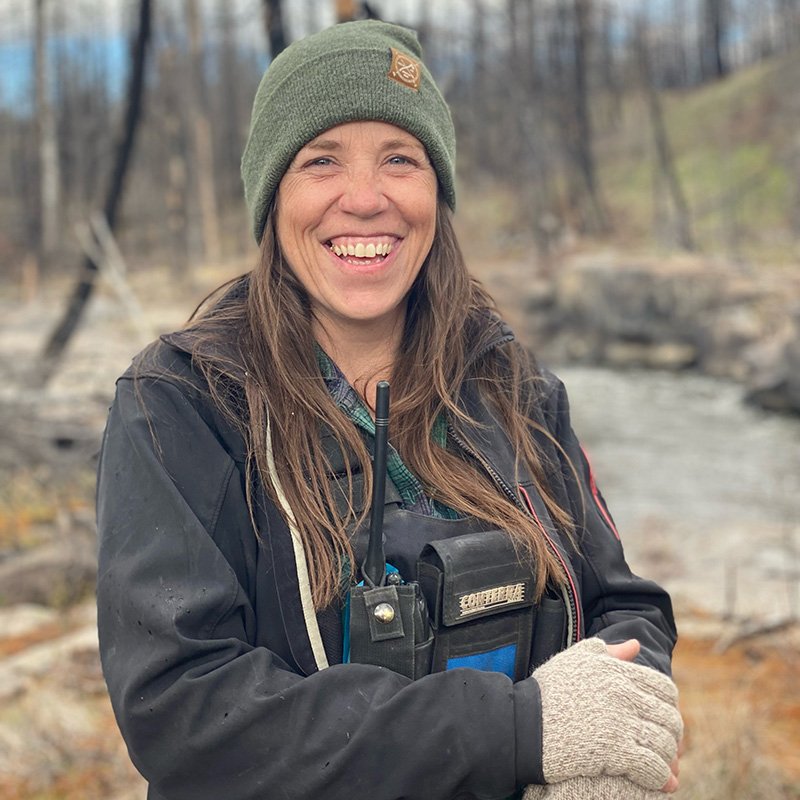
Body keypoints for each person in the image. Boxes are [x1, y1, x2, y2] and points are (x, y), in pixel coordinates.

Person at [96, 20, 682, 800]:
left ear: (437, 190)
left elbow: (625, 605)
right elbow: (183, 711)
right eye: (321, 161)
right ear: (273, 199)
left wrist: (608, 746)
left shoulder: (513, 384)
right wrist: (524, 730)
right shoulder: (178, 407)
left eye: (400, 159)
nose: (365, 199)